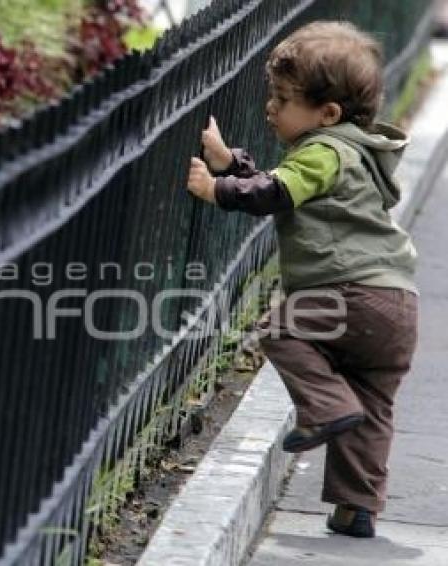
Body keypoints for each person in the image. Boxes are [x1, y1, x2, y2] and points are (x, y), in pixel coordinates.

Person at [185, 21, 419, 538]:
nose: (271, 107)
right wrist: (231, 163)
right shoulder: (352, 152)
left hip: (351, 293)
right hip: (397, 305)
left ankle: (325, 407)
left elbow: (277, 194)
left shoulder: (324, 151)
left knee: (281, 329)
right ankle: (357, 508)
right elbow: (280, 181)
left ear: (327, 113)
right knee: (372, 403)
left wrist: (216, 190)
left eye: (284, 98)